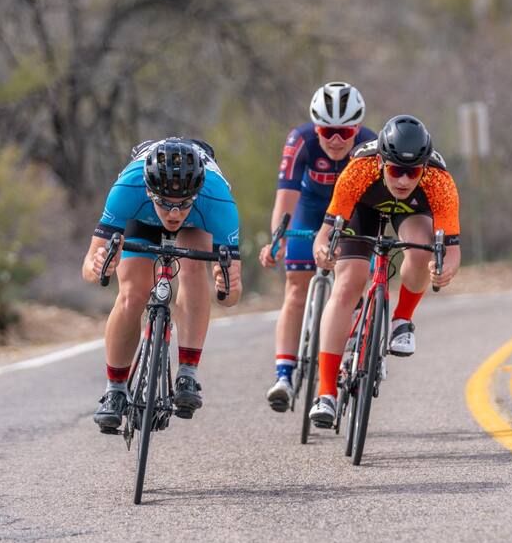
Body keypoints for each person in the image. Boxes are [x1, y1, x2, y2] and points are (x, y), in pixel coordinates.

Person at [307, 115, 461, 427]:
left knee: (422, 249)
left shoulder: (439, 180)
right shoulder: (360, 168)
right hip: (363, 209)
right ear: (381, 162)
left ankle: (402, 320)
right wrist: (323, 252)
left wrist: (445, 272)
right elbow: (324, 235)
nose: (403, 180)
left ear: (424, 168)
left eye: (412, 172)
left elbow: (453, 250)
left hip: (412, 213)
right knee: (349, 281)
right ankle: (326, 394)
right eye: (395, 170)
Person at [81, 138, 243, 433]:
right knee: (132, 294)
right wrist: (99, 263)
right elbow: (90, 269)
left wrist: (227, 284)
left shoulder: (217, 199)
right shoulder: (127, 188)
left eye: (182, 205)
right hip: (141, 218)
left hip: (199, 221)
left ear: (196, 192)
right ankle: (115, 391)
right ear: (148, 189)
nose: (173, 213)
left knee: (194, 271)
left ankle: (187, 373)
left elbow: (231, 296)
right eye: (165, 203)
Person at [259, 82, 377, 412]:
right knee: (296, 289)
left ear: (358, 127)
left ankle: (349, 351)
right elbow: (286, 198)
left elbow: (376, 204)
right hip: (309, 210)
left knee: (351, 282)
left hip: (353, 211)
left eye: (345, 131)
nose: (336, 140)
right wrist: (277, 240)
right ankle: (284, 375)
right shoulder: (301, 141)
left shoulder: (370, 145)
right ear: (315, 127)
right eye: (327, 131)